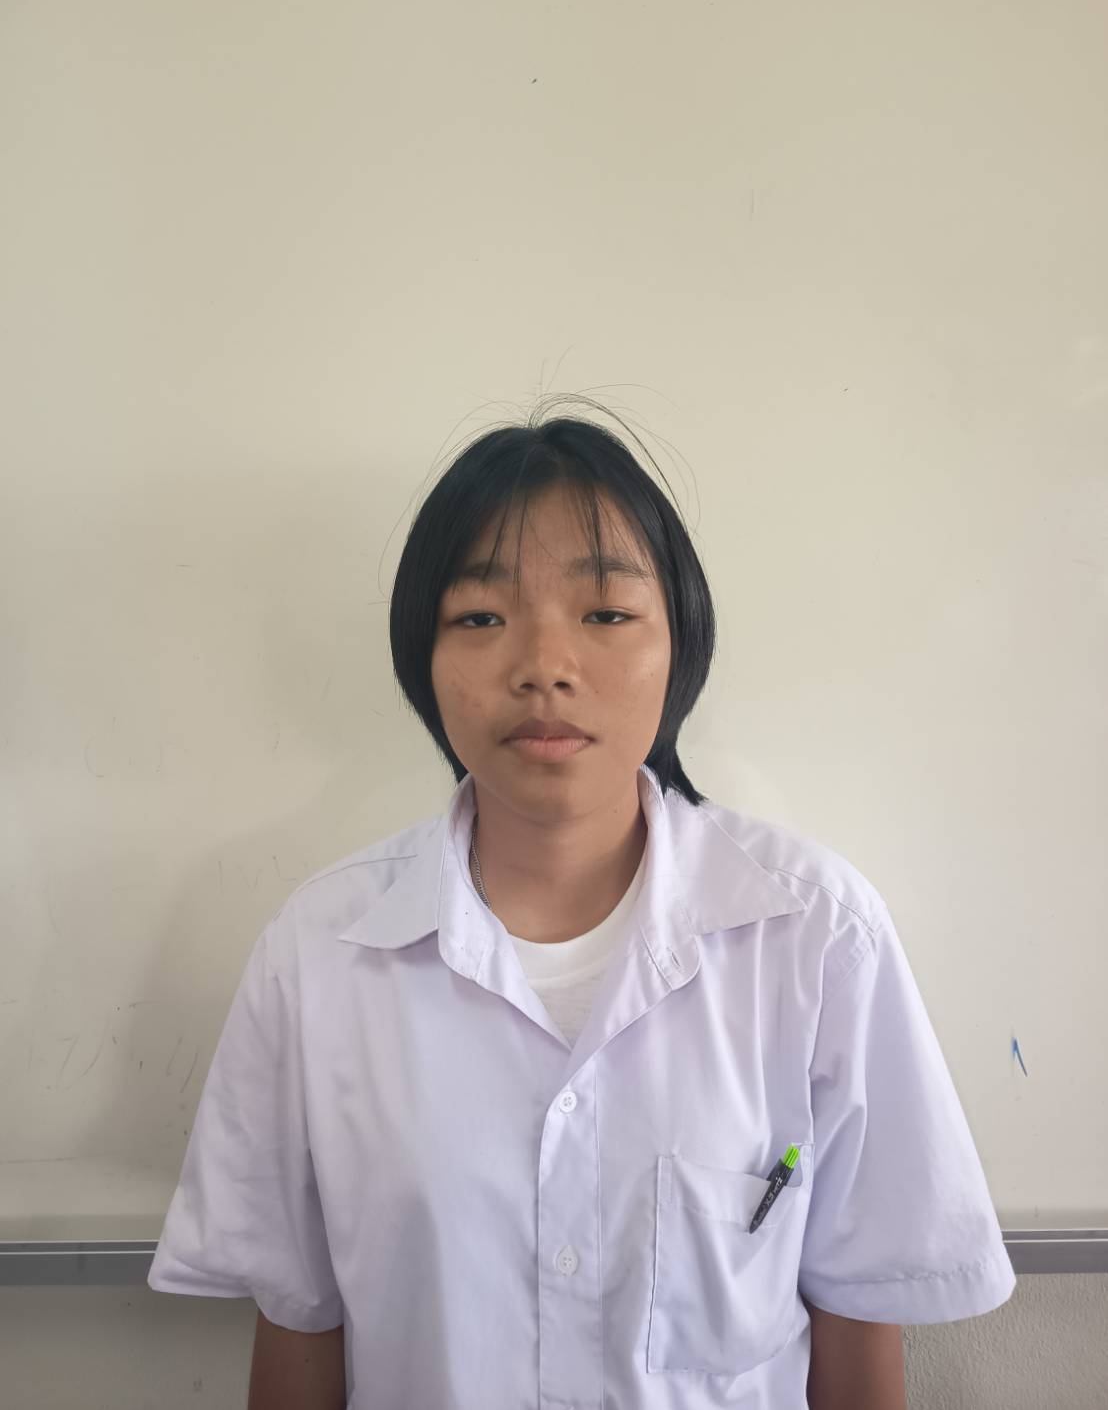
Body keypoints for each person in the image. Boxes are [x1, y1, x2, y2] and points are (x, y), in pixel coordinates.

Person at [147, 396, 1016, 1409]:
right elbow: (300, 1319)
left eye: (605, 614)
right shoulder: (320, 953)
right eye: (480, 617)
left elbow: (858, 1317)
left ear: (679, 642)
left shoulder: (816, 935)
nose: (544, 667)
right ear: (423, 658)